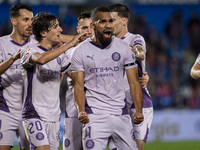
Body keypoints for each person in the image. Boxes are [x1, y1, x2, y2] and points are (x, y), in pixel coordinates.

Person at [71, 6, 143, 150]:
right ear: (93, 25)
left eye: (110, 21)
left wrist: (139, 110)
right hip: (94, 116)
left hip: (121, 115)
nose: (108, 25)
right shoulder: (80, 52)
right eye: (103, 22)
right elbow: (78, 86)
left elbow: (134, 83)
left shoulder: (124, 48)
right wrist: (81, 111)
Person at [20, 12, 85, 150]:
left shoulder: (60, 55)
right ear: (43, 33)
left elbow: (76, 77)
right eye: (56, 27)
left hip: (54, 116)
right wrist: (68, 45)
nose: (60, 30)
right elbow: (41, 59)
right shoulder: (29, 49)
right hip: (34, 113)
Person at [108, 4, 153, 150]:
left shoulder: (134, 38)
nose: (109, 24)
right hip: (115, 105)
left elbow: (140, 52)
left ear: (124, 21)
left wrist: (136, 53)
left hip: (138, 103)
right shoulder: (105, 44)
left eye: (112, 20)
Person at [0, 3, 36, 150]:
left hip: (30, 111)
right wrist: (12, 59)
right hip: (5, 108)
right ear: (14, 21)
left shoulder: (37, 43)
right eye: (25, 19)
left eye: (31, 20)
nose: (30, 24)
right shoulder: (2, 43)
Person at [63, 11, 94, 150]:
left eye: (91, 27)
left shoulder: (106, 50)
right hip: (73, 103)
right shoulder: (69, 51)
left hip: (96, 102)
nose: (88, 31)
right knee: (73, 146)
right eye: (84, 28)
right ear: (78, 30)